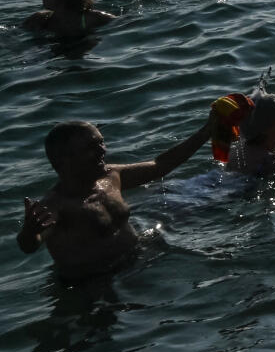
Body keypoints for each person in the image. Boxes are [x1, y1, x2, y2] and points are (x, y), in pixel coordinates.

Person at [17, 108, 218, 281]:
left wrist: (206, 131)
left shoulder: (111, 177)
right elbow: (30, 245)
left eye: (101, 143)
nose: (102, 151)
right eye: (91, 147)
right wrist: (29, 231)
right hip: (90, 285)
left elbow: (160, 166)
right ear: (64, 160)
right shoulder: (57, 205)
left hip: (134, 264)